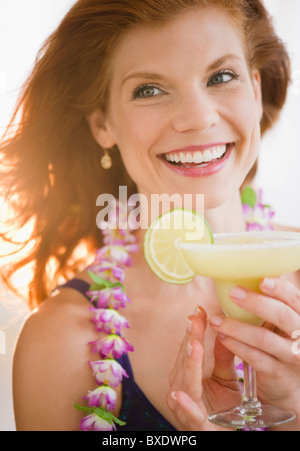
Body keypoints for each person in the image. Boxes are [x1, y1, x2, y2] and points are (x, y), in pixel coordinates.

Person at [1, 0, 300, 431]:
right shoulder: (62, 344)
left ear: (255, 91)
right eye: (149, 90)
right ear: (102, 123)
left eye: (221, 76)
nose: (198, 119)